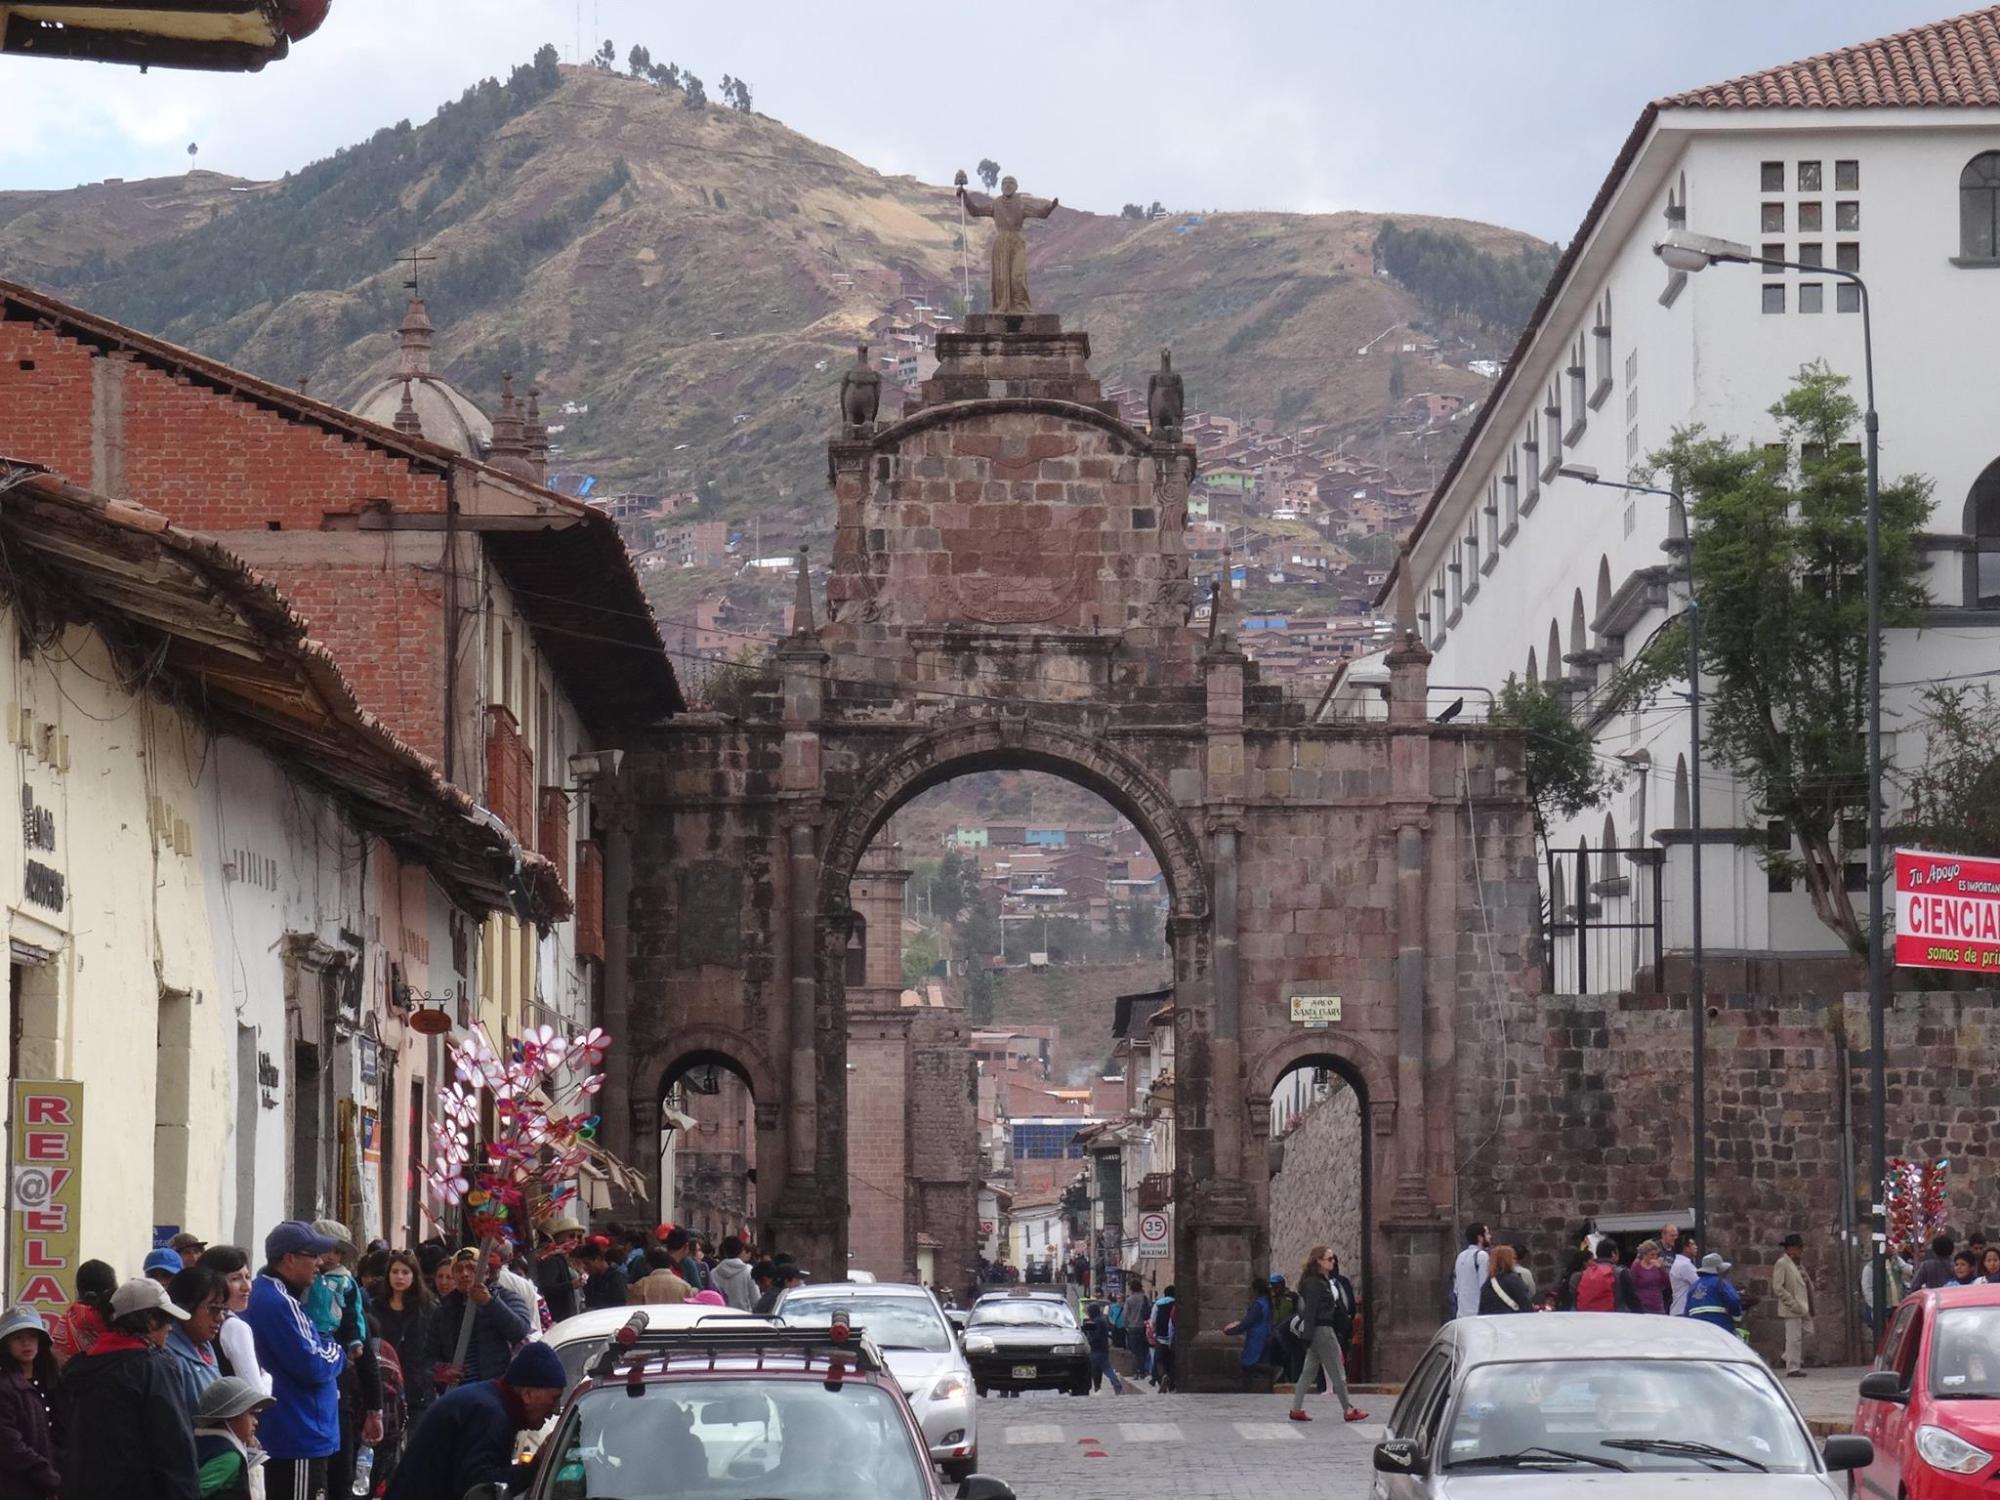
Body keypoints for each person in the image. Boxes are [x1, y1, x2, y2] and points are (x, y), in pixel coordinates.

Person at [61, 1278, 200, 1500]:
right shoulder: (152, 1368)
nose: (170, 1327)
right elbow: (173, 1447)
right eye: (166, 1319)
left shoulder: (81, 1368)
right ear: (150, 1320)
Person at [381, 1343, 567, 1500]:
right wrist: (534, 1467)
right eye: (554, 1398)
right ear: (528, 1394)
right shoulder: (489, 1414)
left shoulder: (489, 1403)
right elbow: (479, 1489)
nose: (556, 1409)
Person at [243, 1220, 346, 1500]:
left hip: (289, 1431)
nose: (320, 1263)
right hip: (298, 1433)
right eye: (313, 1255)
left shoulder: (269, 1295)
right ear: (289, 1259)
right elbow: (314, 1364)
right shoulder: (279, 1302)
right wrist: (337, 1349)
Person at [430, 1249, 531, 1392]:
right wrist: (441, 1371)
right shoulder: (443, 1311)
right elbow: (428, 1357)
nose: (465, 1274)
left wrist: (490, 1302)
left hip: (497, 1390)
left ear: (486, 1273)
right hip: (458, 1393)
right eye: (459, 1270)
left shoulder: (506, 1298)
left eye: (471, 1268)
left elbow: (519, 1331)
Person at [1287, 1249, 1365, 1423]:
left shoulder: (1318, 1281)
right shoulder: (1315, 1283)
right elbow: (1311, 1310)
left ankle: (1296, 1409)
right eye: (1329, 1259)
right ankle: (1348, 1409)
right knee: (1338, 1371)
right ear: (1319, 1261)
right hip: (1322, 1330)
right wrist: (1308, 1334)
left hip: (1318, 1330)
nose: (1333, 1261)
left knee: (1308, 1372)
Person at [0, 1303, 62, 1500]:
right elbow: (9, 1444)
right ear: (6, 1344)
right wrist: (47, 1474)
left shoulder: (51, 1382)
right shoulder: (5, 1388)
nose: (26, 1343)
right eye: (18, 1337)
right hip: (16, 1488)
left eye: (32, 1336)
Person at [365, 1250, 432, 1418]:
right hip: (385, 1385)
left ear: (414, 1276)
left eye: (405, 1272)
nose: (399, 1277)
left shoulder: (427, 1308)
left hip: (418, 1387)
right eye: (394, 1272)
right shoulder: (375, 1307)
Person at [195, 1247, 267, 1396]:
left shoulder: (197, 1321)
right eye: (235, 1279)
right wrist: (267, 1378)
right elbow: (256, 1395)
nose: (246, 1287)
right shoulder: (234, 1327)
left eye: (247, 1277)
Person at [192, 1376, 273, 1500]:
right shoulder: (229, 1456)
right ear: (230, 1417)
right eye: (251, 1414)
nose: (256, 1421)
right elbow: (192, 1493)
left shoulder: (202, 1441)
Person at [164, 1266, 229, 1412]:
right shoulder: (169, 1357)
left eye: (223, 1309)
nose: (220, 1318)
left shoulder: (204, 1346)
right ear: (184, 1308)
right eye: (213, 1309)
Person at [52, 1260, 117, 1366]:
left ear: (79, 1288)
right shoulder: (118, 1322)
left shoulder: (67, 1319)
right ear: (111, 1288)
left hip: (69, 1375)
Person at [1772, 1234, 1814, 1377]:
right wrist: (1791, 1302)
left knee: (1808, 1330)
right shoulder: (1782, 1263)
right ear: (1791, 1248)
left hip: (1802, 1305)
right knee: (1793, 1337)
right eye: (1799, 1248)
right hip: (1792, 1306)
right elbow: (1778, 1287)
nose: (1801, 1250)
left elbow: (1804, 1283)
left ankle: (1788, 1355)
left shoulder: (1797, 1264)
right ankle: (1792, 1367)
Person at [534, 1218, 587, 1325]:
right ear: (560, 1237)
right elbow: (547, 1288)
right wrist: (571, 1285)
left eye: (578, 1237)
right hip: (557, 1318)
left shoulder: (562, 1258)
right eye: (571, 1236)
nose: (575, 1240)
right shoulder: (551, 1259)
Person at [1221, 1279, 1271, 1390]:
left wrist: (1230, 1331)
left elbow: (1247, 1323)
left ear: (1255, 1290)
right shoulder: (1266, 1302)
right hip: (1264, 1336)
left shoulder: (1258, 1305)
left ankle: (1249, 1390)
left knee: (1250, 1366)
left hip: (1257, 1339)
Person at [1684, 1252, 1744, 1332]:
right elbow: (1734, 1300)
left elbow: (1687, 1311)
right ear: (1719, 1269)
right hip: (1719, 1324)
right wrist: (1737, 1317)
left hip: (1697, 1329)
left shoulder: (1694, 1286)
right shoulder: (1720, 1283)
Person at [1080, 1300, 1126, 1394]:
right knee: (1101, 1368)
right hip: (1103, 1348)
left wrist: (1089, 1341)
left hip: (1096, 1349)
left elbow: (1094, 1335)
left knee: (1104, 1369)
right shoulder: (1101, 1320)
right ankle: (1101, 1387)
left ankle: (1115, 1385)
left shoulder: (1095, 1322)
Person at [573, 1239, 630, 1312]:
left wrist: (595, 1309)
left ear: (598, 1259)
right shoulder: (592, 1279)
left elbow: (620, 1305)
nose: (585, 1267)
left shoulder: (616, 1278)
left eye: (587, 1263)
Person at [629, 1245, 694, 1306]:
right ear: (670, 1265)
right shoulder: (685, 1287)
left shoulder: (641, 1286)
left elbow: (632, 1310)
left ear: (648, 1266)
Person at [1478, 1245, 1534, 1313]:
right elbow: (1526, 1305)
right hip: (1511, 1318)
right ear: (1508, 1260)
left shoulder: (1487, 1284)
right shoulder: (1513, 1280)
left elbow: (1482, 1310)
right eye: (1513, 1258)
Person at [1453, 1223, 1490, 1320]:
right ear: (1480, 1238)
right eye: (1487, 1234)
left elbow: (1456, 1288)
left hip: (1462, 1313)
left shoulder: (1460, 1256)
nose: (1489, 1236)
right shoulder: (1482, 1256)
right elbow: (1485, 1285)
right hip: (1477, 1312)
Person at [1573, 1239, 1621, 1311]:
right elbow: (1632, 1300)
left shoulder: (1582, 1274)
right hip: (1611, 1315)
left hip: (1585, 1315)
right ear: (1613, 1254)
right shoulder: (1620, 1272)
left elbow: (1575, 1298)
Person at [1626, 1240, 1671, 1315]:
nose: (1655, 1257)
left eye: (1656, 1255)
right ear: (1644, 1255)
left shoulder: (1658, 1265)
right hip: (1642, 1306)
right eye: (1652, 1255)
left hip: (1657, 1305)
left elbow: (1666, 1283)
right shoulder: (1636, 1266)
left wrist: (1661, 1268)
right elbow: (1632, 1285)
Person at [711, 1237, 756, 1311]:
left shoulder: (714, 1273)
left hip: (720, 1315)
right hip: (743, 1315)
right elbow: (755, 1299)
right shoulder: (748, 1271)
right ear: (741, 1250)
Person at [1123, 1281, 1152, 1381]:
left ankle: (1135, 1372)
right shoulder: (1145, 1298)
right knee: (1143, 1350)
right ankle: (1142, 1371)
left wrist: (1126, 1326)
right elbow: (1149, 1311)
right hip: (1143, 1327)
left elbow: (1125, 1315)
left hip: (1132, 1328)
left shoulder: (1129, 1300)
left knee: (1135, 1351)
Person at [1668, 1232, 1700, 1317]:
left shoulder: (1681, 1263)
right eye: (1692, 1244)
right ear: (1686, 1248)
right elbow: (1699, 1283)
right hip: (1683, 1310)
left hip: (1680, 1309)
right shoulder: (1684, 1265)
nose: (1696, 1247)